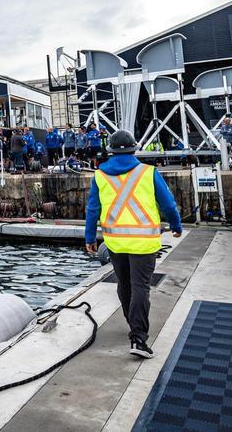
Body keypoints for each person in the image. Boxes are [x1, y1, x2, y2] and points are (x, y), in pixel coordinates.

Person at [84, 130, 182, 359]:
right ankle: (138, 337)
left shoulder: (99, 176)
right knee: (140, 287)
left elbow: (92, 210)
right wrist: (176, 226)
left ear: (109, 150)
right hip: (143, 241)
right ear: (134, 148)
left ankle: (132, 322)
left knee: (124, 284)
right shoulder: (148, 172)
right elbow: (167, 204)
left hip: (115, 242)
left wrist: (89, 238)